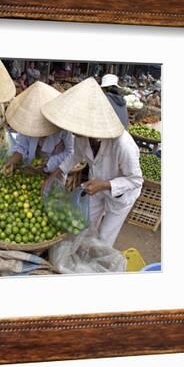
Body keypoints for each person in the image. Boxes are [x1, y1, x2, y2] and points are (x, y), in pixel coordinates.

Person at [41, 78, 143, 246]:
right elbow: (73, 158)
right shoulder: (83, 136)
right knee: (84, 223)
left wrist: (104, 185)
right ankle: (80, 255)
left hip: (121, 195)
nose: (74, 133)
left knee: (104, 237)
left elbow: (136, 180)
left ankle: (95, 264)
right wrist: (52, 177)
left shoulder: (123, 145)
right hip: (96, 189)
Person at [2, 81, 74, 175]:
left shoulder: (63, 126)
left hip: (55, 171)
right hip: (32, 169)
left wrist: (49, 163)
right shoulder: (27, 122)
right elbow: (22, 146)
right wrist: (11, 161)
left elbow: (70, 152)